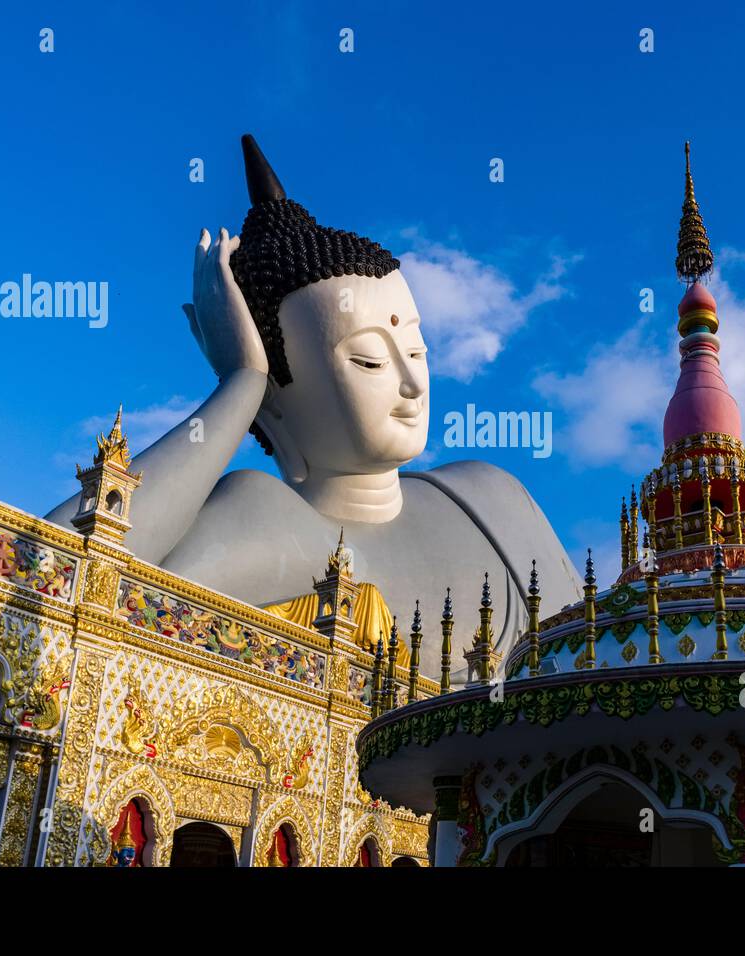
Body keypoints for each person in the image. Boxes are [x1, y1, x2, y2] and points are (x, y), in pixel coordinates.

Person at [48, 135, 580, 680]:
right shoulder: (269, 522)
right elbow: (53, 580)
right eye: (370, 360)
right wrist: (242, 383)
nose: (412, 384)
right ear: (276, 404)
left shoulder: (489, 496)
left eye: (418, 351)